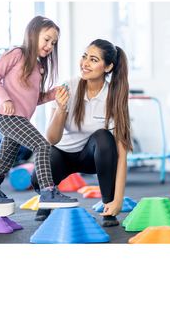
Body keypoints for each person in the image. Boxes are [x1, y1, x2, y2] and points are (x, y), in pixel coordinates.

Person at [0, 15, 79, 216]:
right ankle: (48, 191)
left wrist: (53, 94)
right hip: (9, 117)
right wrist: (4, 99)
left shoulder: (39, 68)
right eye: (47, 39)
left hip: (20, 120)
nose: (50, 45)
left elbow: (35, 98)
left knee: (5, 160)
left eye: (53, 42)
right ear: (33, 35)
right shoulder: (17, 54)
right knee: (42, 145)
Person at [31, 39, 133, 227]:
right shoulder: (68, 87)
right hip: (61, 154)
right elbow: (52, 139)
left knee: (104, 137)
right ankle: (47, 197)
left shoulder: (114, 96)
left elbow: (122, 154)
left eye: (93, 60)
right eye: (84, 57)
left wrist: (118, 200)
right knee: (37, 177)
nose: (85, 63)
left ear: (108, 67)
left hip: (91, 158)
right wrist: (61, 108)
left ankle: (108, 206)